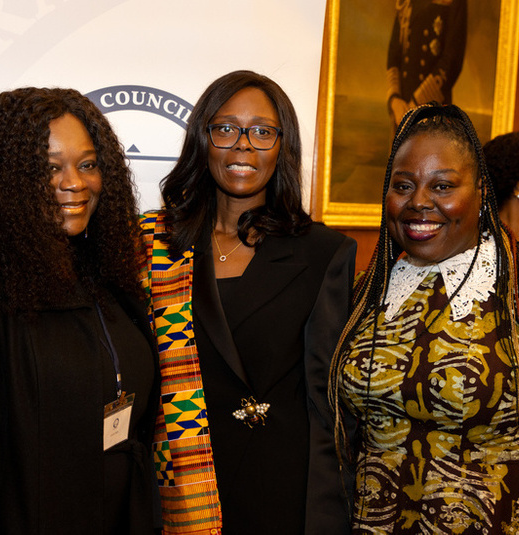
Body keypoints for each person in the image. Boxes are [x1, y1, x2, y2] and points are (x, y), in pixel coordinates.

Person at [329, 103, 519, 533]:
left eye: (443, 186)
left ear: (481, 196)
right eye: (403, 185)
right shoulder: (369, 290)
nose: (419, 202)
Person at [0, 87, 159, 534]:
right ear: (7, 178)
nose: (74, 182)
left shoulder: (108, 276)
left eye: (88, 164)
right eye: (49, 167)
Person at [139, 70, 356, 535]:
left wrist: (325, 517)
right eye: (226, 128)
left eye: (261, 131)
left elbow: (325, 404)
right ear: (204, 139)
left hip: (275, 488)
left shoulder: (323, 253)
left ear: (283, 146)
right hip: (175, 485)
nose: (243, 145)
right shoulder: (152, 242)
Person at [386, 0, 467, 130]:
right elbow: (394, 53)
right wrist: (394, 100)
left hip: (433, 112)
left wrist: (418, 104)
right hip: (401, 112)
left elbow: (452, 60)